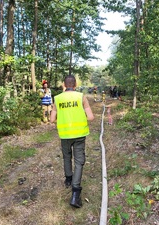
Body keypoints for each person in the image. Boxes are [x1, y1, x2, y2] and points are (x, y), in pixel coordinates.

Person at [50, 75, 94, 208]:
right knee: (79, 161)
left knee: (67, 157)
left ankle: (68, 179)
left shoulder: (57, 99)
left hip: (65, 135)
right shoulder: (81, 97)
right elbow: (91, 117)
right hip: (80, 134)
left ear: (64, 85)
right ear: (75, 85)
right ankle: (75, 193)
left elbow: (52, 120)